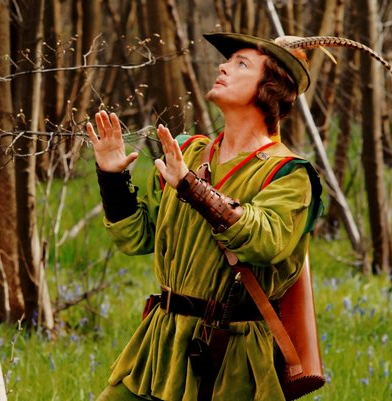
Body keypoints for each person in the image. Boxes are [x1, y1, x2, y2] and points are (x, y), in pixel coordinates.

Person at [86, 32, 323, 401]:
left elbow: (264, 240)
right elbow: (137, 237)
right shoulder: (188, 152)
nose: (223, 67)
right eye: (228, 61)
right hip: (160, 344)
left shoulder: (289, 174)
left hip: (233, 354)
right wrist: (112, 178)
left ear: (270, 89)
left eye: (241, 64)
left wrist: (191, 187)